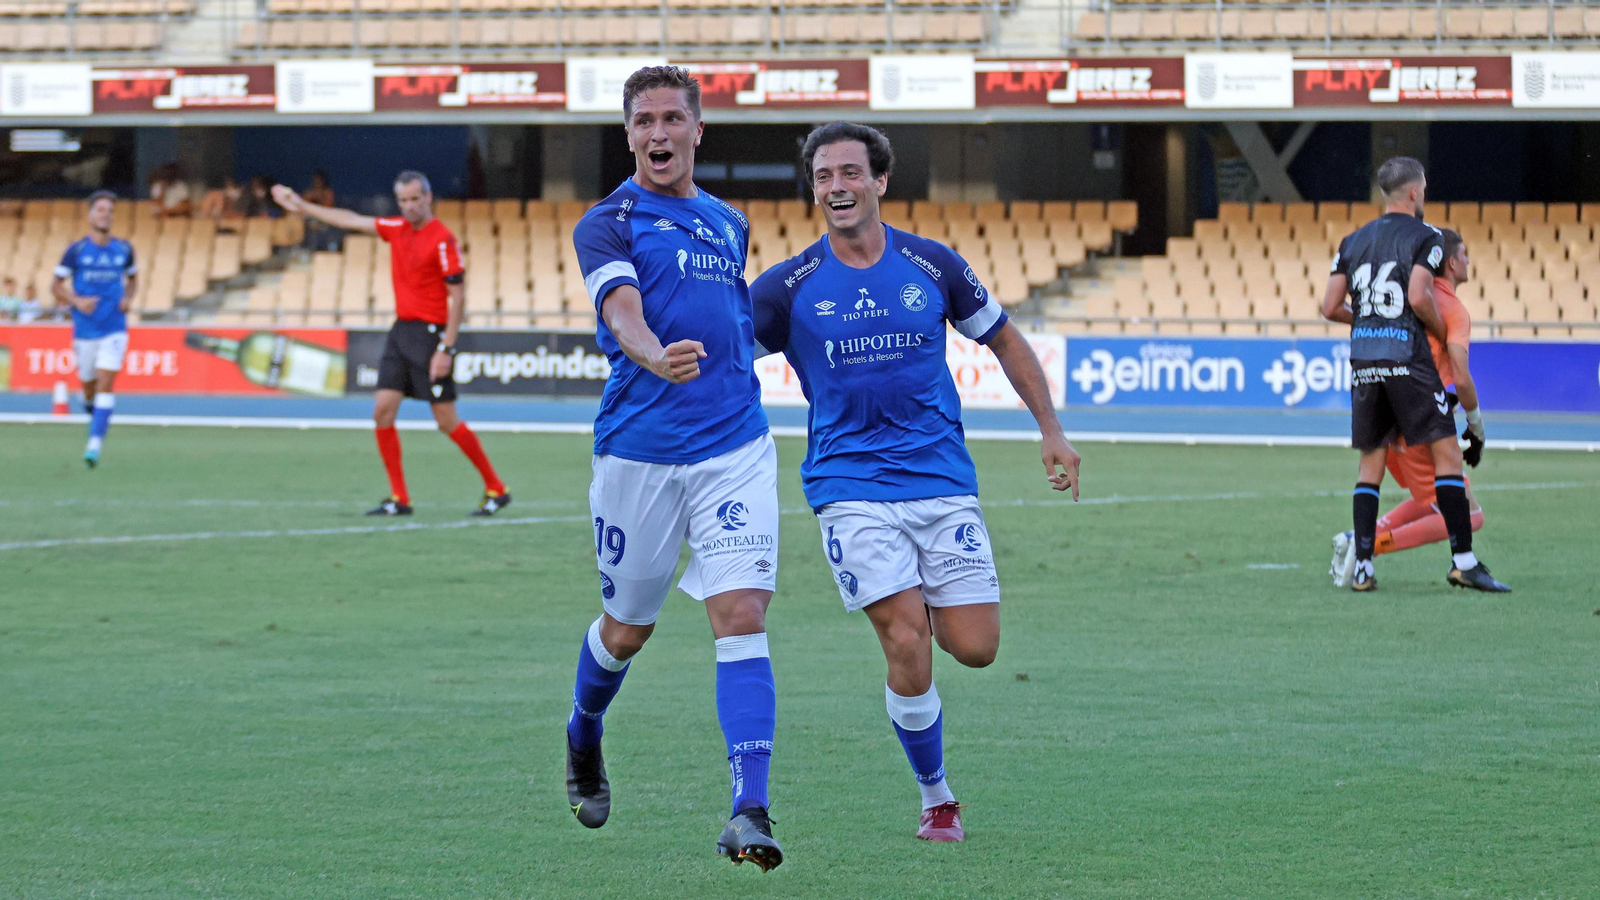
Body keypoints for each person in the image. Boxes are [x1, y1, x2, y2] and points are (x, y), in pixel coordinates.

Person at [749, 122, 1082, 843]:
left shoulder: (934, 266)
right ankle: (937, 798)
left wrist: (1050, 429)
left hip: (940, 481)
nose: (836, 187)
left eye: (848, 173)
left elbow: (1004, 338)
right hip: (850, 486)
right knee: (907, 642)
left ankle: (911, 597)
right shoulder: (787, 287)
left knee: (977, 646)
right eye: (823, 177)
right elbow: (720, 361)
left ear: (880, 182)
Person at [564, 65, 783, 871]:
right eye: (643, 120)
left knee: (741, 613)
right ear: (628, 135)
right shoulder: (607, 222)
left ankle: (748, 808)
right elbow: (622, 312)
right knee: (627, 631)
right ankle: (583, 733)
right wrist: (654, 354)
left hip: (734, 447)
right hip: (639, 455)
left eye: (671, 118)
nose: (658, 133)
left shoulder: (731, 222)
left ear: (699, 130)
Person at [272, 171, 511, 518]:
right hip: (401, 333)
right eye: (403, 201)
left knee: (446, 420)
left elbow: (457, 299)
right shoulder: (396, 229)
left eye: (416, 199)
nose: (410, 206)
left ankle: (496, 488)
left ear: (428, 197)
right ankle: (400, 498)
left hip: (431, 337)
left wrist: (446, 348)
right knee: (382, 410)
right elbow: (351, 219)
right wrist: (301, 205)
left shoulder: (442, 239)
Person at [1320, 158, 1507, 593]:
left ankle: (1363, 566)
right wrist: (1435, 330)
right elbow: (1419, 295)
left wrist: (1367, 322)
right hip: (1406, 357)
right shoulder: (1427, 238)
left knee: (1371, 465)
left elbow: (1329, 307)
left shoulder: (1352, 240)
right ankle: (1463, 562)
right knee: (1449, 457)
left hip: (1365, 359)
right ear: (1415, 192)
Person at [52, 190, 139, 468]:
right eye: (100, 210)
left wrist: (127, 298)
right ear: (90, 215)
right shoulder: (76, 251)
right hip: (85, 330)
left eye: (110, 211)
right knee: (88, 385)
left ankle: (94, 444)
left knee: (105, 383)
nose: (106, 214)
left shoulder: (124, 249)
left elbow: (134, 278)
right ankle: (90, 405)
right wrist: (76, 301)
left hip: (114, 328)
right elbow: (54, 285)